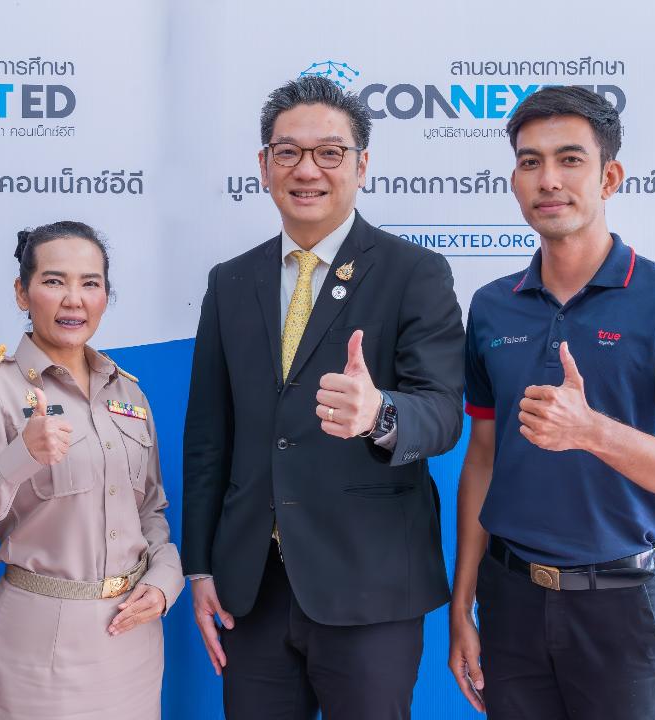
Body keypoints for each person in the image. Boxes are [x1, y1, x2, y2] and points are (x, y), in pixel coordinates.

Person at [181, 75, 465, 720]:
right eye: (288, 152)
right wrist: (201, 567)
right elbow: (208, 439)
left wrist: (379, 413)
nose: (307, 170)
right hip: (251, 586)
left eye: (329, 153)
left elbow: (444, 413)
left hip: (369, 585)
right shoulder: (231, 282)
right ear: (264, 166)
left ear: (361, 166)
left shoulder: (414, 272)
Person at [448, 86, 655, 720]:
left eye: (570, 159)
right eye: (530, 162)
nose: (548, 179)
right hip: (509, 598)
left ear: (610, 178)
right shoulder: (491, 306)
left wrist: (590, 431)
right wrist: (462, 604)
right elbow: (483, 457)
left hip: (621, 605)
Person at [0, 221, 183, 720]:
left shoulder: (127, 390)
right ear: (22, 293)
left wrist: (165, 578)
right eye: (53, 281)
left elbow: (150, 510)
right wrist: (18, 457)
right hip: (39, 644)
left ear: (105, 295)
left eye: (90, 283)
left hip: (133, 637)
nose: (74, 300)